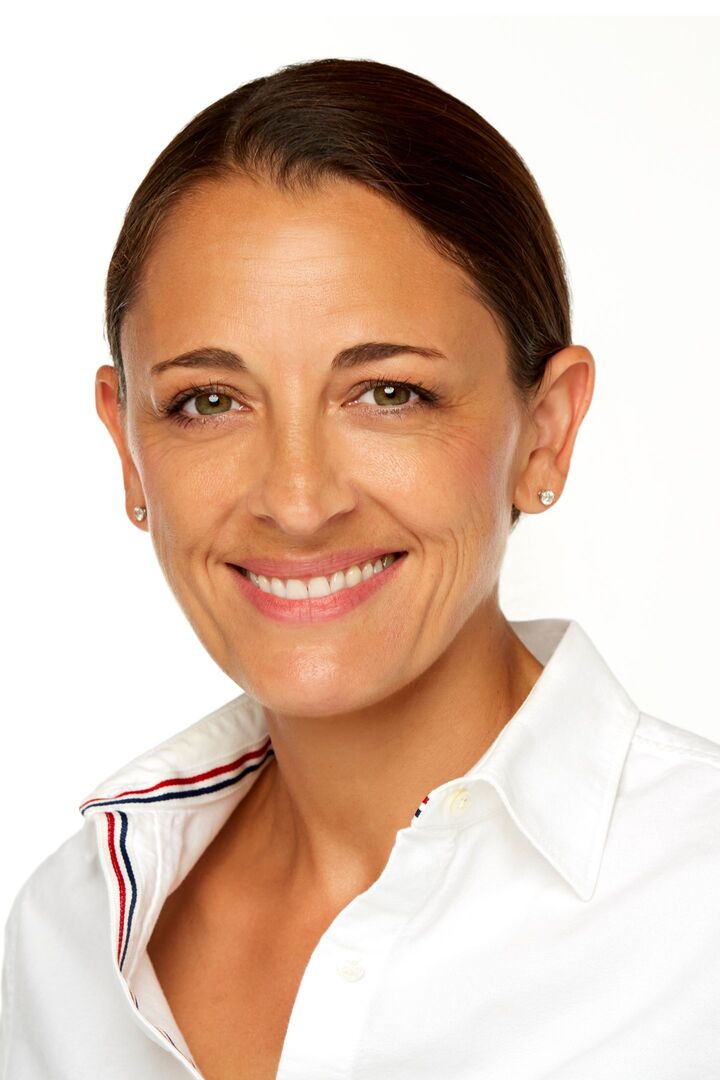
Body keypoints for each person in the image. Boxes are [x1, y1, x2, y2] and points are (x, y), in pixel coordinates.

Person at [1, 56, 719, 1080]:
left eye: (389, 394)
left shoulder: (699, 914)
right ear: (128, 449)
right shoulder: (65, 937)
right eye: (209, 401)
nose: (298, 501)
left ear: (546, 431)